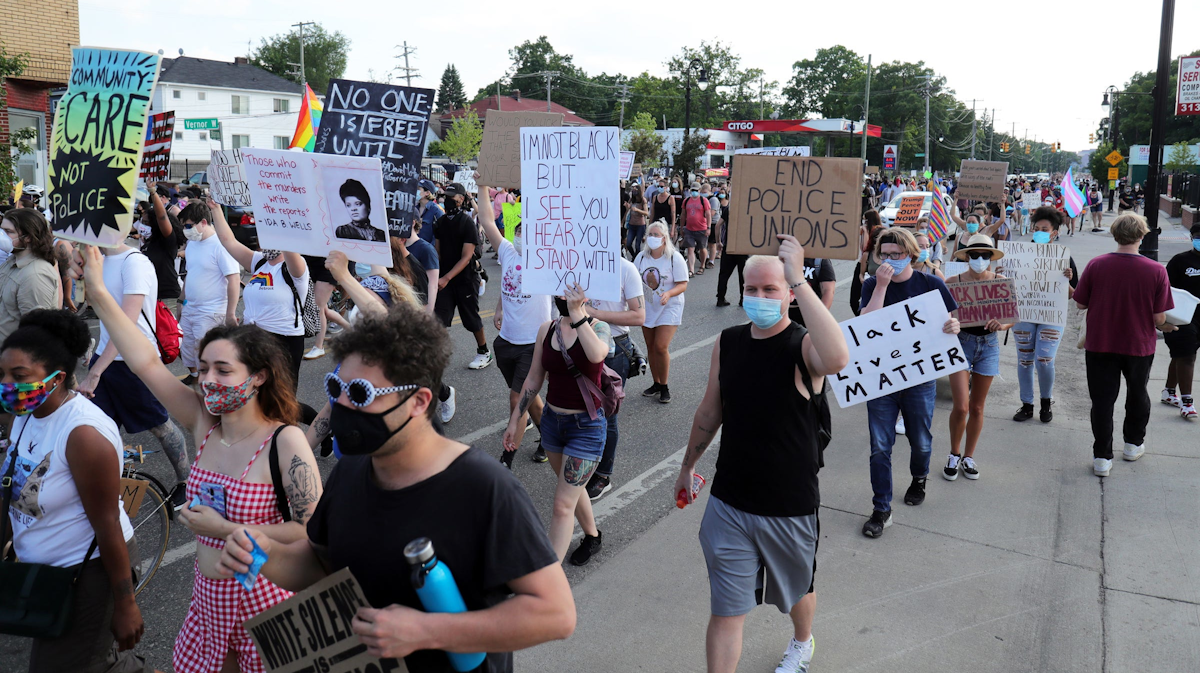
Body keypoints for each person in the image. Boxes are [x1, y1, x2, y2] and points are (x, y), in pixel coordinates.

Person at [220, 305, 576, 670]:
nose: (341, 405)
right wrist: (266, 555)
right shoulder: (350, 472)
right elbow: (322, 563)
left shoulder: (484, 488)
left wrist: (428, 631)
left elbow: (555, 613)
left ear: (419, 402)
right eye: (336, 388)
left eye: (361, 393)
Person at [79, 242, 321, 673]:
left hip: (266, 607)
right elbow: (145, 361)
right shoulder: (203, 423)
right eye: (204, 368)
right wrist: (97, 291)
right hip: (208, 606)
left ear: (259, 377)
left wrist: (226, 529)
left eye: (223, 370)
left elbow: (310, 534)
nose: (208, 380)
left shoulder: (285, 442)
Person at [676, 235, 849, 673]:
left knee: (797, 591)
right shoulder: (728, 341)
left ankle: (802, 640)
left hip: (788, 504)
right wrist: (688, 465)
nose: (759, 296)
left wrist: (800, 279)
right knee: (726, 610)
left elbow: (837, 358)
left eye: (770, 289)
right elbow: (710, 410)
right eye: (751, 288)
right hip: (729, 501)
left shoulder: (802, 346)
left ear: (789, 294)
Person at [1, 309, 151, 673]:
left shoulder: (83, 434)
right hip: (46, 573)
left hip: (88, 574)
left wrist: (125, 604)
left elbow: (107, 523)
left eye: (18, 376)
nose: (6, 384)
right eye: (1, 374)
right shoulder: (25, 416)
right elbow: (13, 492)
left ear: (57, 378)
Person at [76, 233, 191, 508]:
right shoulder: (99, 260)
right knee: (98, 428)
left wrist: (95, 372)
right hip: (106, 358)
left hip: (135, 361)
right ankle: (108, 485)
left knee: (160, 426)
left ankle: (188, 482)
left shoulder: (134, 262)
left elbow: (126, 326)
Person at [860, 227, 960, 537]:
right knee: (880, 446)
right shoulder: (872, 284)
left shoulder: (930, 284)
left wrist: (954, 326)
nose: (890, 260)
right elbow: (865, 324)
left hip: (920, 378)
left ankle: (919, 478)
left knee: (921, 440)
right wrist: (881, 286)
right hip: (882, 380)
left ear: (910, 254)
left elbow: (951, 319)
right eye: (884, 255)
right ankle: (881, 508)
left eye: (897, 254)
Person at [504, 285, 611, 565]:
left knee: (563, 504)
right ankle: (593, 536)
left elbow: (597, 355)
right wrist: (515, 420)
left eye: (572, 292)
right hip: (552, 424)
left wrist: (577, 313)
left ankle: (548, 577)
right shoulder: (547, 330)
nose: (564, 297)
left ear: (586, 294)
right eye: (561, 292)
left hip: (586, 429)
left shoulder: (598, 328)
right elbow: (533, 379)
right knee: (571, 488)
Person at [1075, 214, 1175, 477]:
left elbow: (1081, 303)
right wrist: (1166, 326)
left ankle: (1102, 457)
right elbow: (1159, 318)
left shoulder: (1096, 265)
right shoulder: (1156, 270)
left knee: (1102, 401)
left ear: (1114, 234)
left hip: (1100, 343)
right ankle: (1132, 444)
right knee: (1138, 393)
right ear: (1142, 236)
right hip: (1138, 344)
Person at [476, 182, 554, 465]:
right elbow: (487, 220)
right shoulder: (508, 251)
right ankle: (549, 437)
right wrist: (482, 185)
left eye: (527, 232)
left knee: (516, 400)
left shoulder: (546, 260)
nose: (521, 235)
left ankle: (506, 460)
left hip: (533, 345)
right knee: (528, 398)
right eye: (519, 231)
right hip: (506, 342)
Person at [943, 235, 1012, 481]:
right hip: (961, 344)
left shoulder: (1000, 282)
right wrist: (949, 323)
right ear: (967, 257)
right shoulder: (952, 283)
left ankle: (968, 456)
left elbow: (1012, 316)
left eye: (985, 255)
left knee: (978, 406)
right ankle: (954, 453)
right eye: (975, 255)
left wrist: (1002, 325)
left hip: (989, 345)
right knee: (961, 406)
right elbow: (940, 315)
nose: (980, 259)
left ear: (991, 258)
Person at [583, 242, 646, 500]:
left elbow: (639, 316)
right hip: (579, 342)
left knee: (607, 413)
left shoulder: (626, 269)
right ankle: (584, 462)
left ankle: (603, 474)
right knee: (582, 409)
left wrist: (595, 314)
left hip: (614, 348)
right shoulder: (577, 263)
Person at [1012, 207, 1079, 423]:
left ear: (1054, 232)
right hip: (1024, 315)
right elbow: (1007, 286)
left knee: (1045, 360)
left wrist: (1066, 280)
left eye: (1045, 229)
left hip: (1051, 316)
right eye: (1037, 228)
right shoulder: (1019, 254)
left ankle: (1046, 402)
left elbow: (1073, 296)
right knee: (1024, 360)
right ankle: (1026, 404)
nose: (1039, 232)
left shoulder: (1064, 258)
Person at [177, 202, 240, 386]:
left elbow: (234, 279)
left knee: (206, 353)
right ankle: (197, 378)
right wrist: (181, 301)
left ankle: (212, 388)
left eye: (188, 226)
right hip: (191, 308)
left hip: (211, 311)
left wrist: (230, 313)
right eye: (184, 226)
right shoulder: (192, 244)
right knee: (186, 348)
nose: (186, 230)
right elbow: (190, 274)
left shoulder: (220, 245)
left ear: (203, 222)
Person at [434, 182, 492, 370]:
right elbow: (438, 252)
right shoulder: (441, 222)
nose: (448, 200)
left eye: (452, 196)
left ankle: (484, 351)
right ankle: (435, 355)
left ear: (461, 199)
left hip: (465, 278)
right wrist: (437, 275)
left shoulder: (467, 222)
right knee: (439, 318)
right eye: (446, 196)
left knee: (470, 318)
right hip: (445, 279)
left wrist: (446, 278)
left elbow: (466, 257)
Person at [635, 220, 689, 404]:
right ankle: (656, 383)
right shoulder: (641, 257)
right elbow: (633, 280)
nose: (652, 238)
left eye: (656, 235)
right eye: (650, 234)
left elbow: (683, 284)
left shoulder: (674, 258)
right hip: (648, 306)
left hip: (669, 306)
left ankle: (664, 386)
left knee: (660, 346)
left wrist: (669, 293)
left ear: (664, 238)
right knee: (650, 346)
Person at [0, 208, 61, 344]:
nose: (2, 235)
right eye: (2, 230)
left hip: (14, 354)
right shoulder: (11, 262)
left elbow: (36, 332)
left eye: (8, 231)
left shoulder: (36, 274)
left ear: (28, 237)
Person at [1163, 224, 1200, 419]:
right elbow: (1165, 288)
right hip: (1183, 316)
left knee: (1180, 355)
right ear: (1192, 238)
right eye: (1198, 236)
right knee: (1187, 356)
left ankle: (1169, 392)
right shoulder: (1180, 261)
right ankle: (1187, 403)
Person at [141, 184, 182, 308]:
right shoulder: (148, 244)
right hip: (150, 296)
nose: (144, 226)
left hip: (167, 297)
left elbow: (162, 216)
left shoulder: (167, 241)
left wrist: (153, 192)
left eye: (147, 223)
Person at [716, 191, 745, 308]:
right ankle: (743, 299)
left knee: (724, 274)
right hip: (743, 248)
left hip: (729, 246)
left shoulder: (729, 209)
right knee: (743, 275)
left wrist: (718, 242)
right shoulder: (747, 210)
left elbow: (718, 225)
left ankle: (720, 298)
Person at [406, 218, 441, 313]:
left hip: (420, 306)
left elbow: (433, 284)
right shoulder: (396, 248)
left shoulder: (426, 249)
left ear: (413, 223)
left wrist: (429, 311)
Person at [681, 182, 712, 276]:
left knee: (702, 248)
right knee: (690, 249)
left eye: (696, 190)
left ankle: (702, 265)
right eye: (692, 190)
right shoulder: (686, 201)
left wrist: (708, 227)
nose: (694, 192)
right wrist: (682, 227)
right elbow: (683, 214)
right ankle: (691, 270)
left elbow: (708, 214)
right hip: (689, 229)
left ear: (699, 190)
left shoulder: (704, 200)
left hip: (701, 228)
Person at [416, 180, 443, 245]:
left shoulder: (436, 211)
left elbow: (439, 235)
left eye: (418, 189)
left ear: (427, 193)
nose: (415, 191)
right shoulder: (414, 208)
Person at [626, 184, 649, 257]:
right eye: (633, 190)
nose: (634, 191)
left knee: (637, 245)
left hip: (640, 225)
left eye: (635, 190)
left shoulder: (643, 200)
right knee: (628, 243)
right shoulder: (631, 199)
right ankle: (634, 256)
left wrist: (637, 210)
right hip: (632, 224)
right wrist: (628, 206)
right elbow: (628, 210)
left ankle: (637, 258)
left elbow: (646, 213)